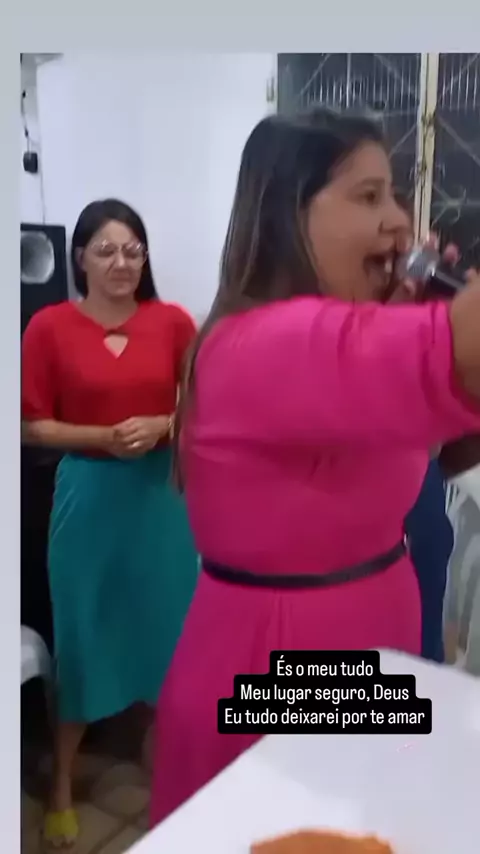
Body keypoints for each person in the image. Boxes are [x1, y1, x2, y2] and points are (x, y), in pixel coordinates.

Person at [149, 109, 480, 826]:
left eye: (396, 194)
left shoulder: (340, 341)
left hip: (367, 641)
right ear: (287, 213)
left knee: (364, 822)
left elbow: (449, 442)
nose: (399, 221)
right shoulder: (257, 345)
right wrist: (441, 331)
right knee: (298, 825)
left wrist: (419, 320)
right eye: (368, 196)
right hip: (285, 664)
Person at [21, 198, 199, 848]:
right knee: (84, 635)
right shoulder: (48, 327)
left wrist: (163, 424)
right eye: (106, 250)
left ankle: (169, 761)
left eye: (133, 250)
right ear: (80, 259)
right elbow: (29, 424)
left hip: (161, 501)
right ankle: (62, 786)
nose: (122, 262)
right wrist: (103, 436)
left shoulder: (173, 322)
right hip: (88, 498)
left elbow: (202, 406)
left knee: (168, 629)